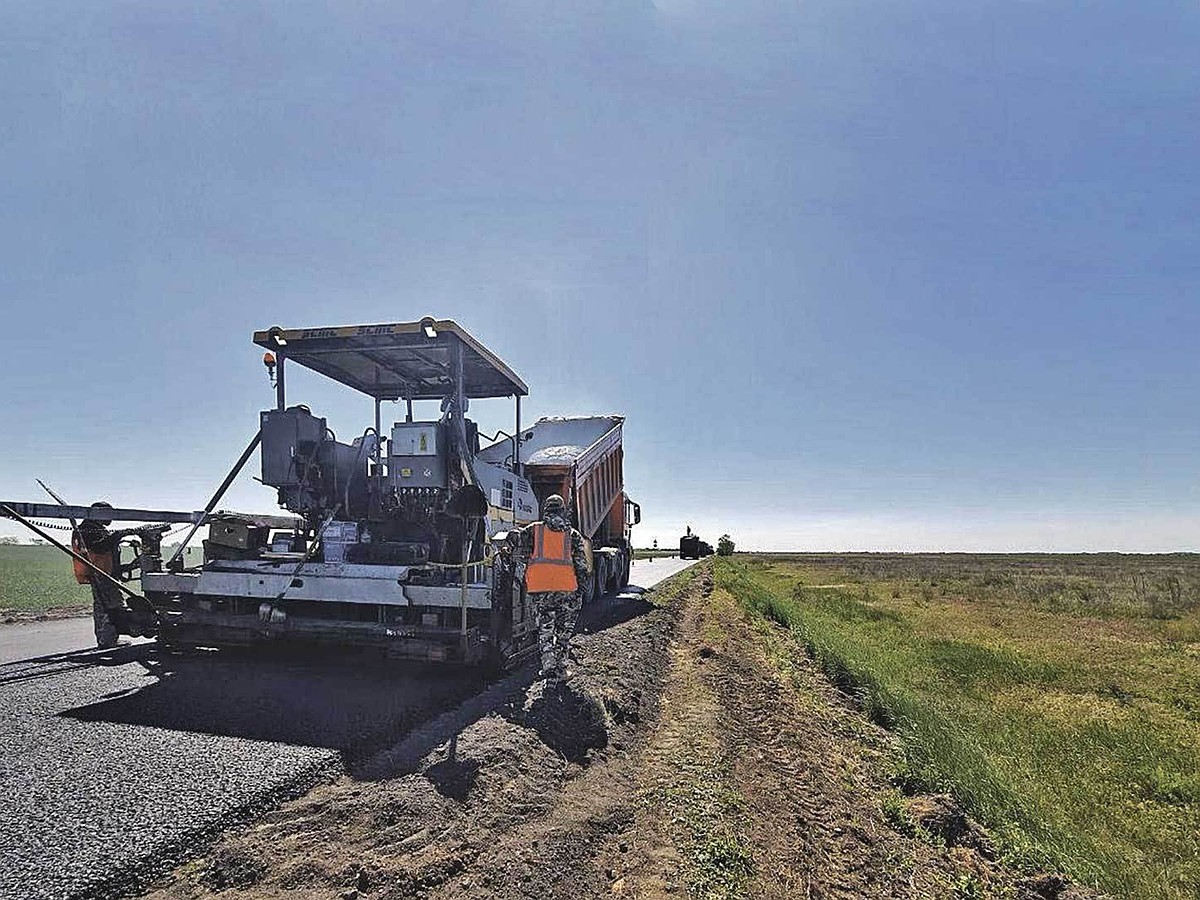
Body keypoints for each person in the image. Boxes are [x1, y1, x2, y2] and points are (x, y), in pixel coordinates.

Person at [517, 494, 590, 682]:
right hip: (567, 589)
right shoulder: (573, 535)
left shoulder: (533, 530)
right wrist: (581, 589)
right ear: (563, 511)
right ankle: (561, 670)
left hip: (540, 590)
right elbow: (581, 565)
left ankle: (548, 665)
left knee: (545, 629)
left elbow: (518, 549)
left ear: (545, 510)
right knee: (563, 632)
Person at [74, 502, 123, 649]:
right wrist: (117, 536)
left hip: (105, 572)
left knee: (107, 604)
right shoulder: (88, 529)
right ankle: (106, 640)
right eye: (109, 514)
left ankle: (108, 639)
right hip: (100, 573)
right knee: (108, 605)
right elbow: (98, 547)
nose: (111, 519)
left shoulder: (95, 528)